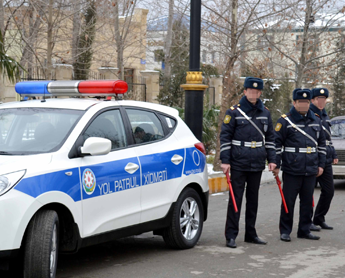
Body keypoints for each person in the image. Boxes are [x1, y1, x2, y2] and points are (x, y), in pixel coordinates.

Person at [220, 77, 276, 248]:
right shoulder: (233, 112)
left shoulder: (265, 113)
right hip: (238, 161)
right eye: (250, 91)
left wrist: (272, 159)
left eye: (257, 91)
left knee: (253, 200)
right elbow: (225, 137)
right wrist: (225, 161)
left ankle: (251, 233)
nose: (253, 93)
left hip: (257, 161)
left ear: (260, 93)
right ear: (244, 92)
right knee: (235, 200)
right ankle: (231, 235)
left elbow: (271, 138)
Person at [273, 88, 326, 242]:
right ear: (294, 102)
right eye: (300, 102)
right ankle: (285, 231)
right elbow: (276, 143)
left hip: (311, 168)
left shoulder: (316, 120)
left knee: (307, 202)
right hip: (292, 168)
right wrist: (276, 163)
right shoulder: (285, 120)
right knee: (288, 201)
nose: (303, 104)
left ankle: (304, 229)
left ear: (309, 103)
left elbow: (322, 144)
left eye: (306, 102)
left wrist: (321, 165)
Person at [309, 88, 338, 231]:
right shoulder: (309, 114)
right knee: (308, 192)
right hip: (312, 157)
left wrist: (334, 154)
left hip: (326, 158)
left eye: (323, 99)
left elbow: (328, 138)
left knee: (329, 191)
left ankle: (319, 218)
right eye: (318, 99)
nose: (321, 102)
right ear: (312, 100)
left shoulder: (325, 115)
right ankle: (307, 222)